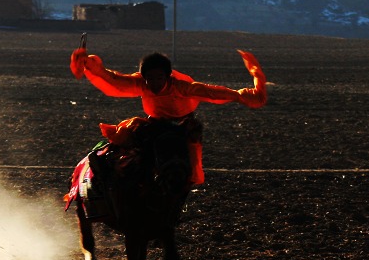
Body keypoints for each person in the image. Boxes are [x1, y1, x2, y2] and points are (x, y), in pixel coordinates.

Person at [70, 37, 266, 185]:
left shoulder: (182, 87)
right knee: (124, 145)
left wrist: (248, 94)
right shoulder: (140, 83)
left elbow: (215, 93)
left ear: (168, 77)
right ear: (143, 77)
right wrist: (88, 64)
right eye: (150, 79)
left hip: (183, 125)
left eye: (159, 79)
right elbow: (113, 80)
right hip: (154, 124)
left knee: (191, 159)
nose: (154, 84)